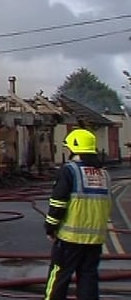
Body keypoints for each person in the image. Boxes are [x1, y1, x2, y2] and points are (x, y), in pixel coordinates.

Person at [43, 128, 111, 300]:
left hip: (69, 239)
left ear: (74, 149)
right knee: (88, 279)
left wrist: (50, 228)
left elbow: (58, 203)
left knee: (59, 278)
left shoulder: (69, 171)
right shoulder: (104, 174)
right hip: (95, 239)